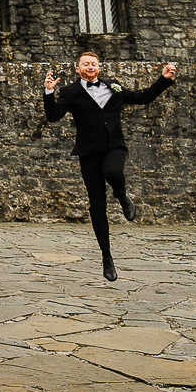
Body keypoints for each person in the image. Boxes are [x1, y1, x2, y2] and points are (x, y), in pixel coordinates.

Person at [43, 53, 177, 281]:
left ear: (99, 67)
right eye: (85, 64)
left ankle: (122, 195)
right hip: (88, 153)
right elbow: (53, 116)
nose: (90, 66)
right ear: (78, 69)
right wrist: (48, 92)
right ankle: (107, 257)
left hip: (114, 146)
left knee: (113, 172)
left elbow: (143, 97)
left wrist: (163, 79)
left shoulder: (114, 87)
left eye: (94, 63)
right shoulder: (70, 92)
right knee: (97, 205)